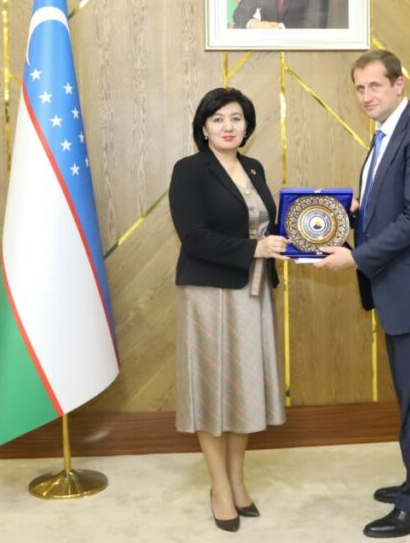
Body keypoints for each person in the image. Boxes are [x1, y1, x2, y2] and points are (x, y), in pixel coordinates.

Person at [316, 50, 410, 538]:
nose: (366, 96)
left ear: (399, 84)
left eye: (375, 86)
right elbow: (394, 205)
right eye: (360, 88)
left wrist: (357, 257)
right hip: (400, 287)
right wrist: (351, 212)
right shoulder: (385, 133)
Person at [168, 87, 290, 533]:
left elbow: (268, 227)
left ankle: (238, 480)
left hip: (253, 292)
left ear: (246, 126)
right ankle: (219, 486)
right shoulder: (189, 170)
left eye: (236, 118)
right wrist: (254, 248)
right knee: (211, 389)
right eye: (218, 119)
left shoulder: (254, 167)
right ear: (203, 127)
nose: (227, 126)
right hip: (208, 294)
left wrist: (324, 218)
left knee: (244, 389)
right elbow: (193, 236)